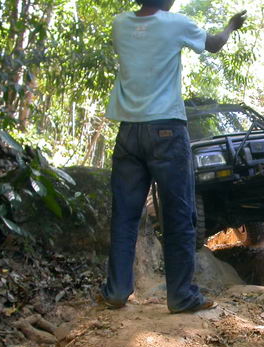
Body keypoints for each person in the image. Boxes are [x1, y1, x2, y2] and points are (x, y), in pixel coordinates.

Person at [99, 0, 247, 312]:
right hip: (166, 129)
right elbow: (214, 44)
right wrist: (231, 26)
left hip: (129, 131)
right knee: (179, 213)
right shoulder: (176, 24)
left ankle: (116, 291)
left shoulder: (120, 24)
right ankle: (181, 295)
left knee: (124, 215)